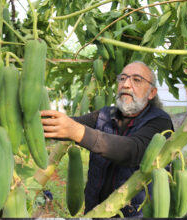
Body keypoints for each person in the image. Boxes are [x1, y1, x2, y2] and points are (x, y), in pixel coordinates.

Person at [40, 61, 174, 217]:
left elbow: (133, 150)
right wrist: (32, 119)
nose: (126, 84)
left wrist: (77, 132)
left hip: (133, 214)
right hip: (95, 211)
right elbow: (71, 124)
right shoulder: (105, 115)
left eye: (136, 80)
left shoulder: (160, 122)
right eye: (122, 78)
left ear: (152, 92)